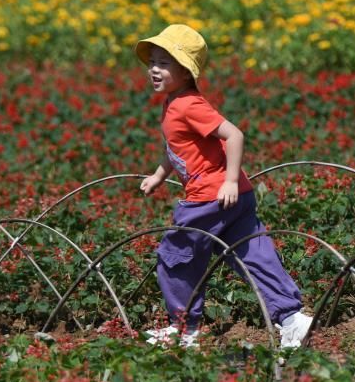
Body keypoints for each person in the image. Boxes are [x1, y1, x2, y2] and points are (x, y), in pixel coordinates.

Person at [134, 23, 313, 349]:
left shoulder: (189, 104)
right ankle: (292, 319)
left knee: (177, 256)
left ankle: (184, 329)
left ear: (187, 72)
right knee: (253, 253)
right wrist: (160, 174)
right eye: (152, 62)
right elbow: (177, 147)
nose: (154, 69)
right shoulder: (174, 102)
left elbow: (234, 135)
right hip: (236, 197)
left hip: (210, 199)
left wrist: (229, 180)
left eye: (164, 63)